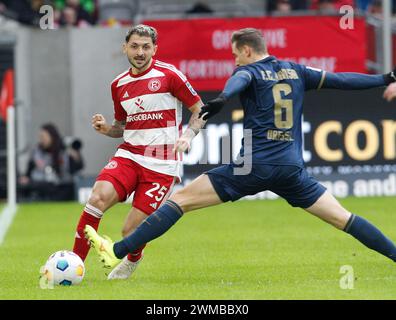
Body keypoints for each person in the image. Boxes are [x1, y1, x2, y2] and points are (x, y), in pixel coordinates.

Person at [85, 28, 396, 271]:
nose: (235, 60)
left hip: (251, 167)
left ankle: (116, 252)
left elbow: (235, 85)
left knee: (180, 201)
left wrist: (219, 101)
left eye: (236, 55)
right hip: (291, 169)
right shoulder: (296, 71)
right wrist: (386, 78)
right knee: (343, 218)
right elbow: (343, 81)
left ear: (247, 51)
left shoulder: (248, 72)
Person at [72, 24, 205, 279]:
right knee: (97, 198)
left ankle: (133, 258)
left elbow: (200, 109)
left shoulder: (170, 75)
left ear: (155, 48)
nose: (140, 52)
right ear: (125, 48)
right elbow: (122, 128)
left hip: (162, 163)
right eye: (134, 46)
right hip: (129, 155)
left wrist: (188, 135)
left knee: (129, 231)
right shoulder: (118, 84)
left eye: (146, 47)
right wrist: (106, 128)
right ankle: (75, 264)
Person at [18, 123, 84, 201]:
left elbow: (77, 168)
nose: (41, 139)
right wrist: (26, 178)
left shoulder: (64, 151)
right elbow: (29, 170)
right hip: (41, 186)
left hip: (62, 188)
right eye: (40, 137)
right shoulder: (37, 152)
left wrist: (76, 156)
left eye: (43, 136)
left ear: (52, 136)